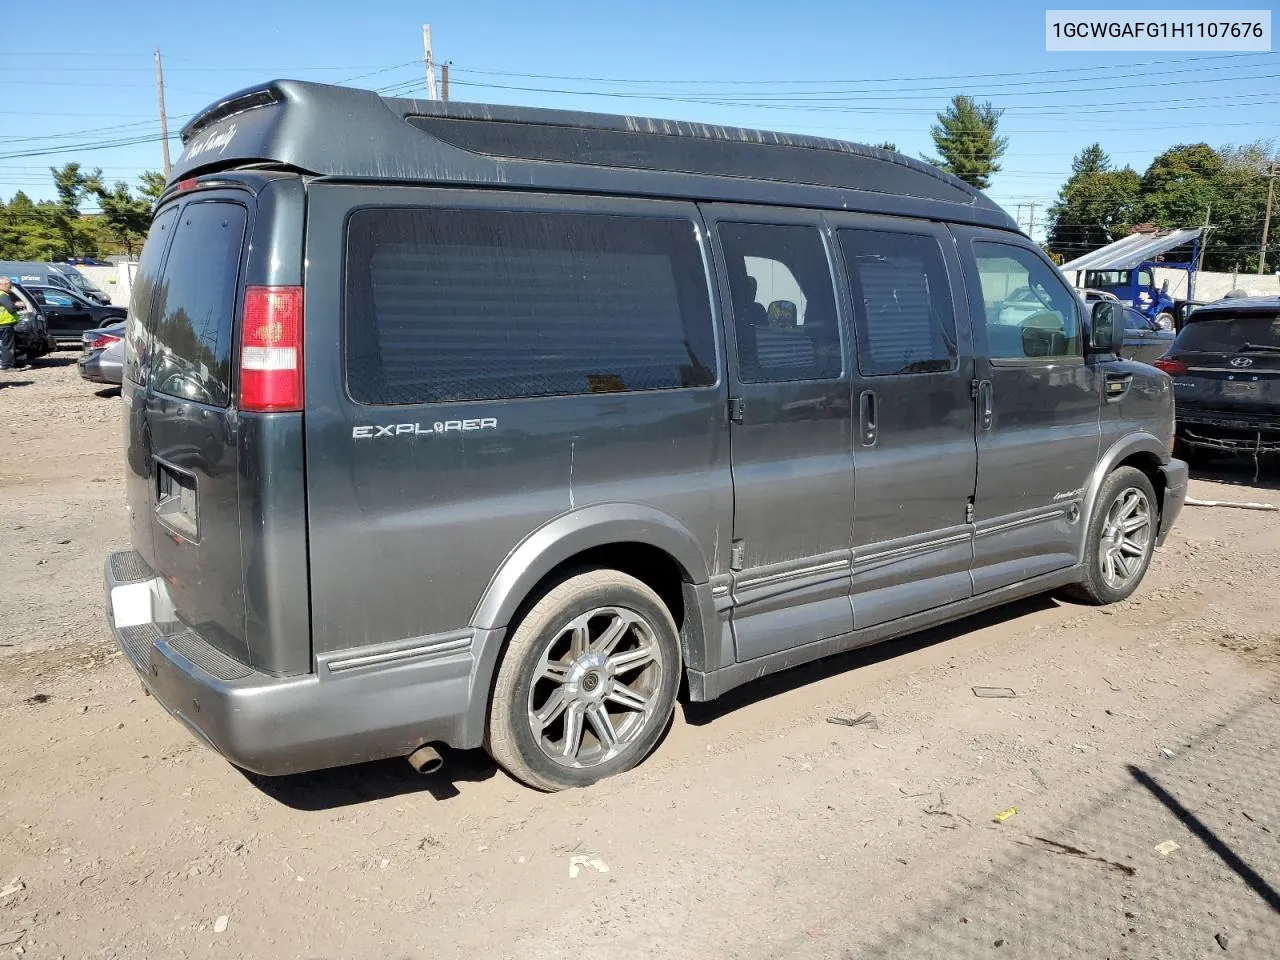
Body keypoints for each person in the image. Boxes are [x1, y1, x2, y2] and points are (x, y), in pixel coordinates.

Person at [0, 276, 19, 373]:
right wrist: (17, 305)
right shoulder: (2, 295)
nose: (10, 288)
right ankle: (7, 366)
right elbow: (10, 308)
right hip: (5, 324)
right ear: (3, 285)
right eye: (9, 285)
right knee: (7, 346)